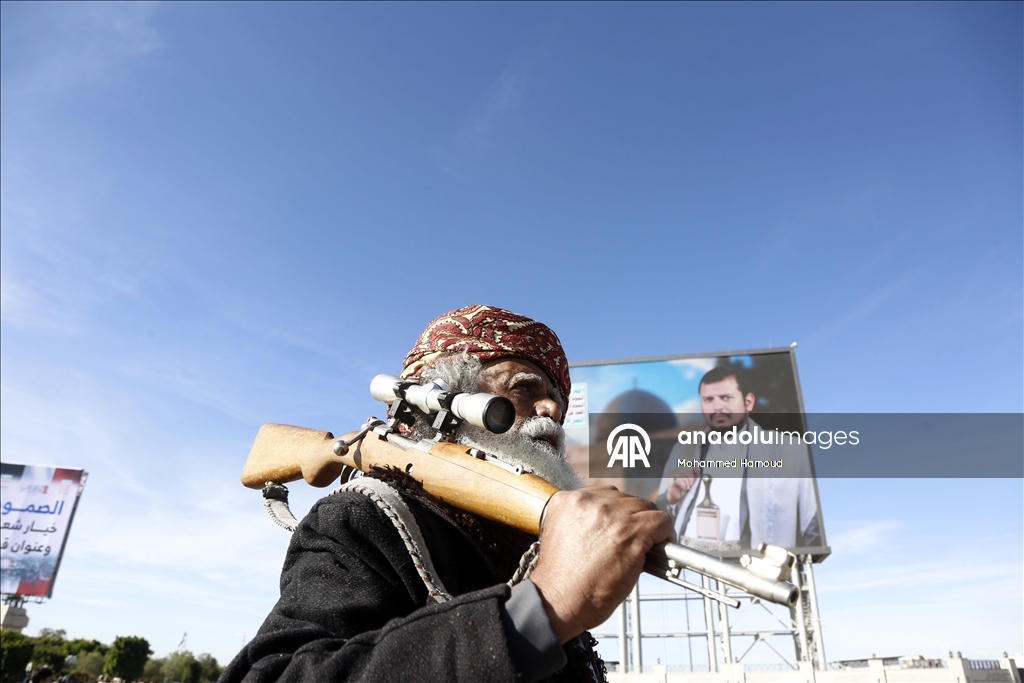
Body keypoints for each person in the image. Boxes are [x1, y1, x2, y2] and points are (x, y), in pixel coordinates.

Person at [220, 304, 674, 683]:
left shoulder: (533, 540)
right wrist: (545, 605)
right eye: (524, 388)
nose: (553, 408)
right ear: (445, 398)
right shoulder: (366, 515)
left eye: (557, 397)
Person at [656, 366, 820, 549]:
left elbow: (812, 523)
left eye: (726, 397)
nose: (717, 407)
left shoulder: (789, 449)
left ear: (748, 402)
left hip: (756, 564)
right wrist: (670, 499)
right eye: (708, 399)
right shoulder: (683, 450)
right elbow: (658, 521)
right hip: (690, 563)